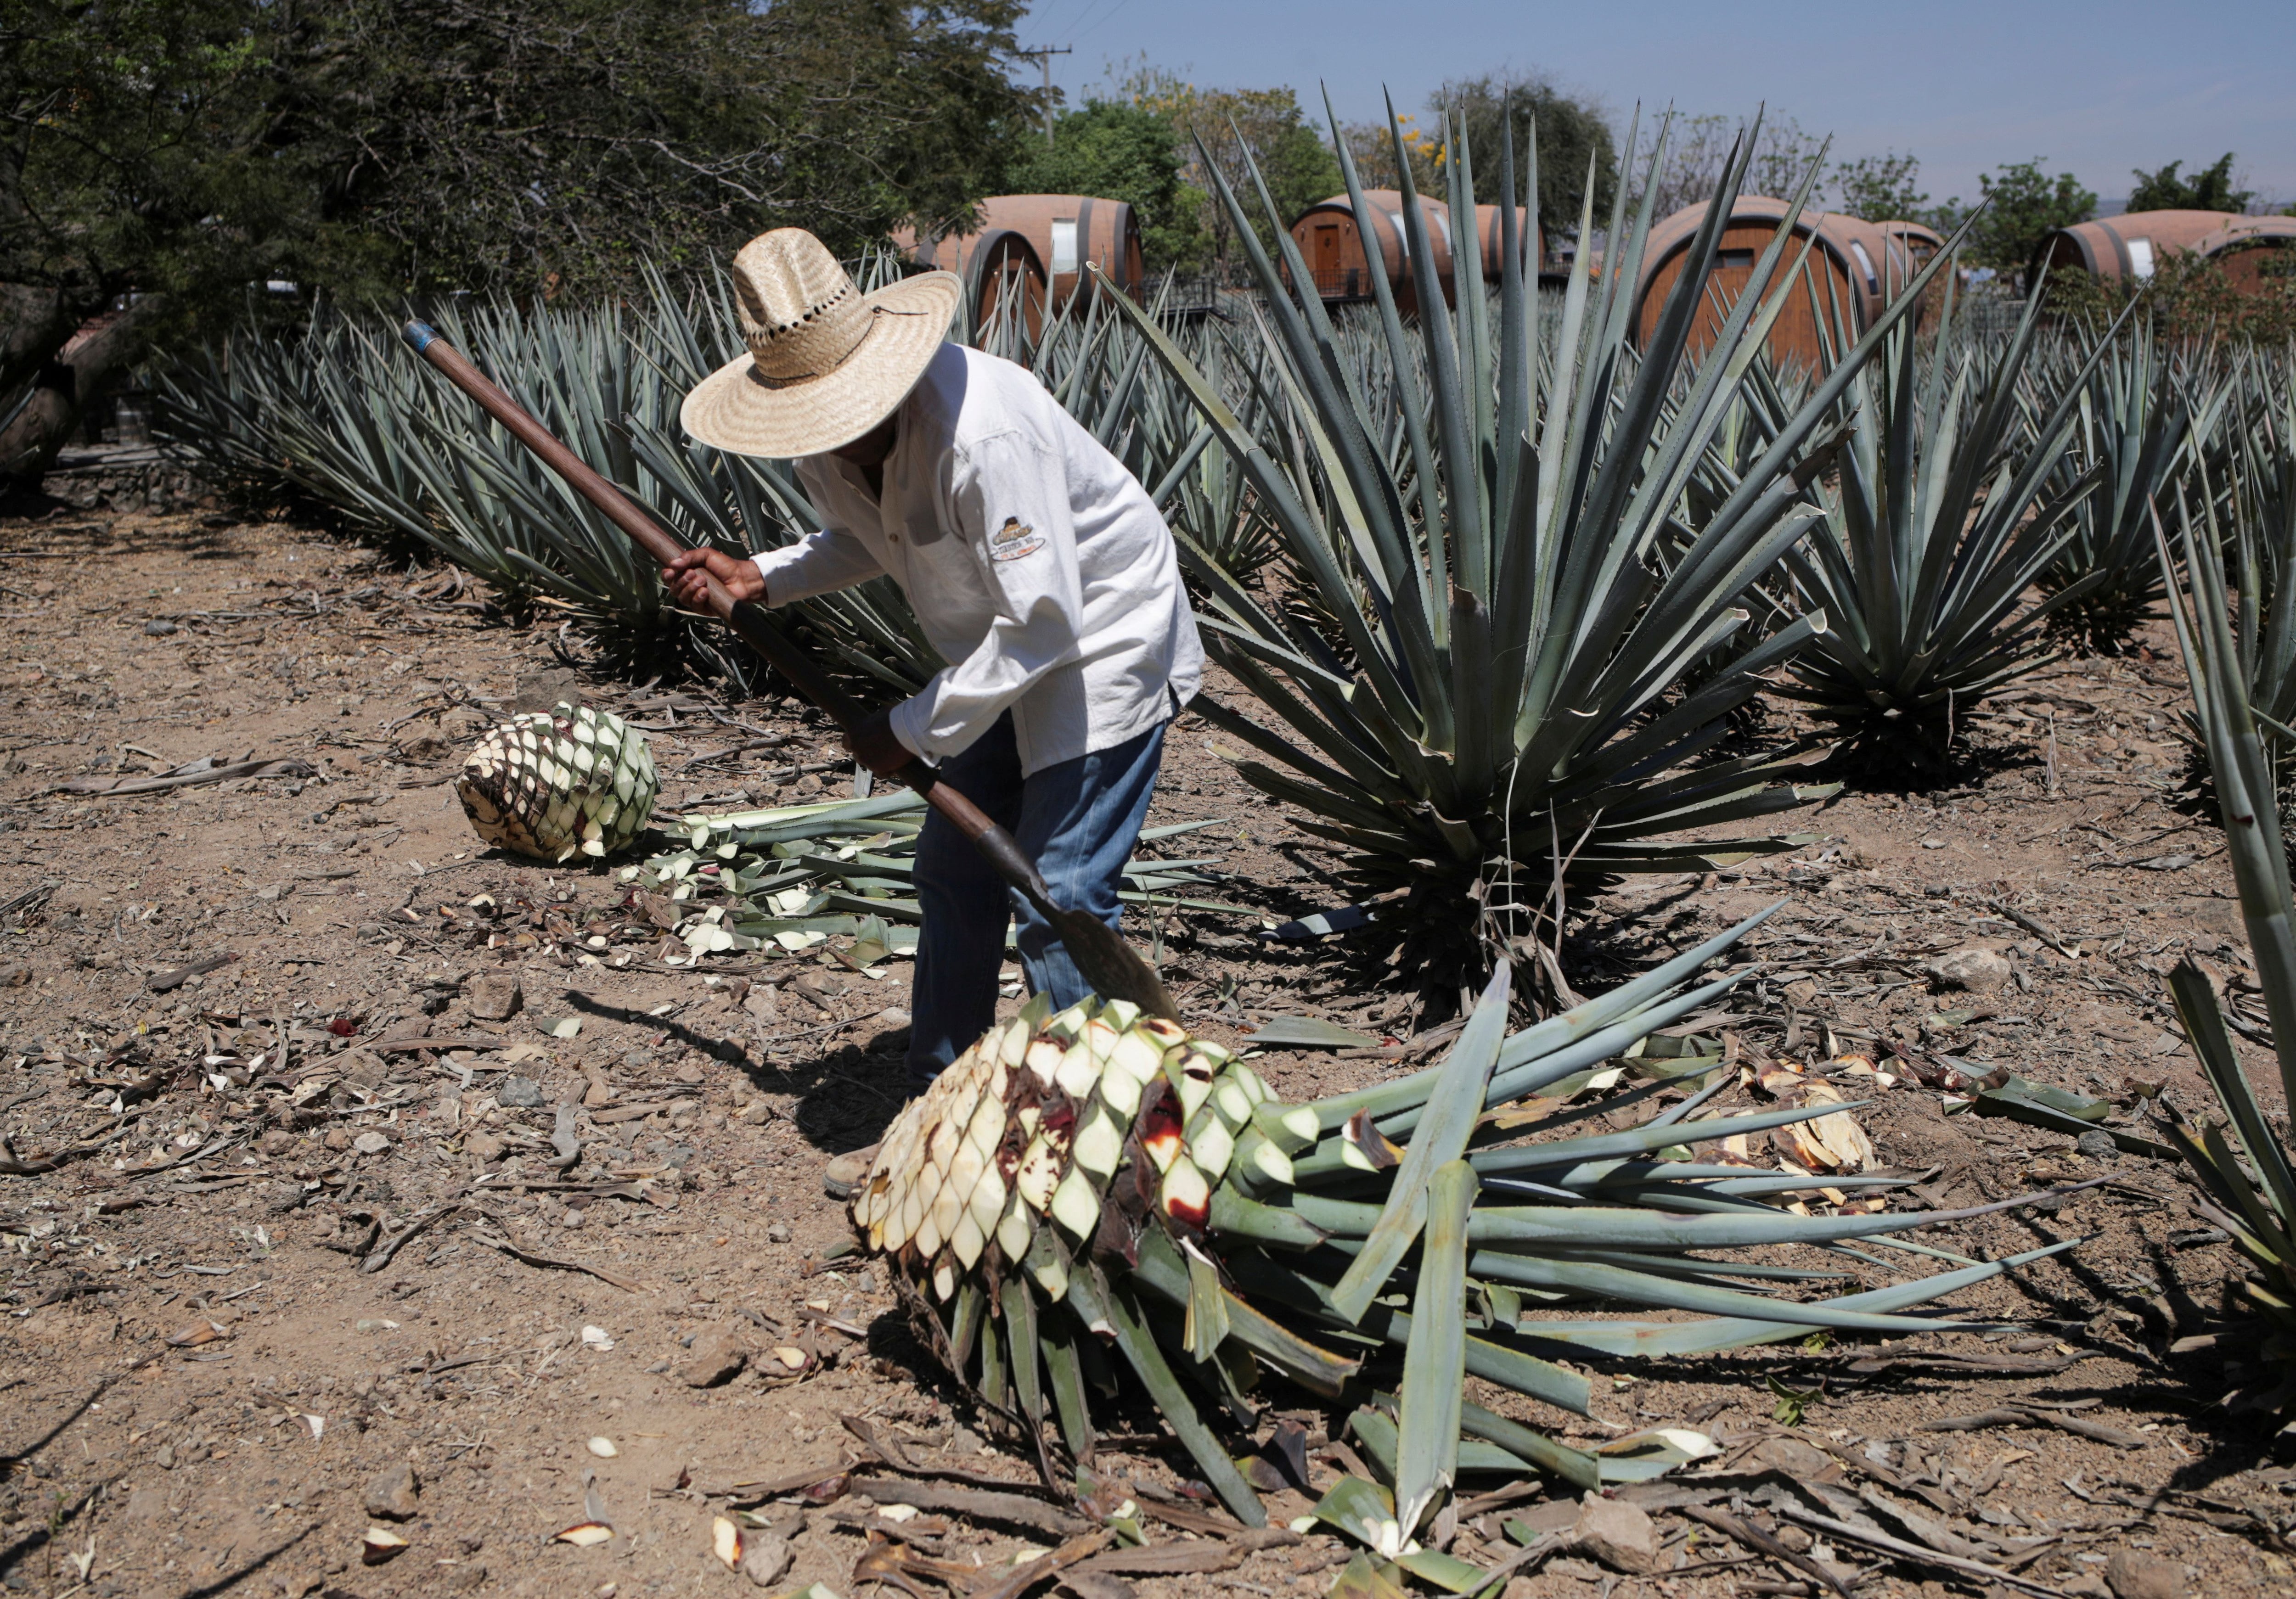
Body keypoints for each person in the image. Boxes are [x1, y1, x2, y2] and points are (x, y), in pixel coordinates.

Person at [661, 229, 1202, 1190]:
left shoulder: (985, 433)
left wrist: (907, 730)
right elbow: (866, 533)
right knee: (953, 868)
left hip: (1099, 637)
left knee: (1062, 892)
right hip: (997, 653)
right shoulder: (827, 436)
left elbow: (1047, 622)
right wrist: (760, 576)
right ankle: (940, 1103)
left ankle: (1088, 1145)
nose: (827, 434)